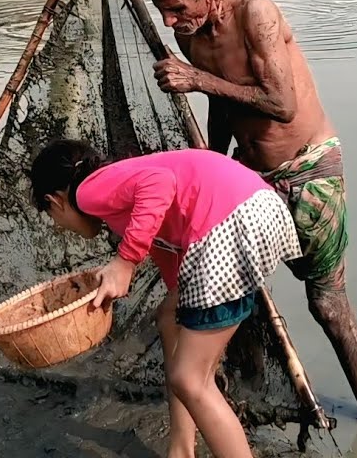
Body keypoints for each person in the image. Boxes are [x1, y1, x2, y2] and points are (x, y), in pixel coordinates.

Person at [141, 0, 357, 424]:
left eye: (177, 8)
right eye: (161, 10)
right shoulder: (190, 34)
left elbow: (282, 103)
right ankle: (243, 391)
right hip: (250, 180)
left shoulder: (257, 13)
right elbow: (220, 104)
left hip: (308, 169)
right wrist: (212, 165)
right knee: (229, 290)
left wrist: (196, 80)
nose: (169, 22)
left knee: (328, 305)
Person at [29, 139, 303, 458]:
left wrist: (125, 262)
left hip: (229, 226)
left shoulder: (87, 191)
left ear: (54, 200)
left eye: (53, 217)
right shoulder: (121, 183)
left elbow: (159, 184)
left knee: (190, 380)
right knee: (170, 319)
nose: (61, 227)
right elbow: (171, 255)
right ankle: (181, 448)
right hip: (259, 209)